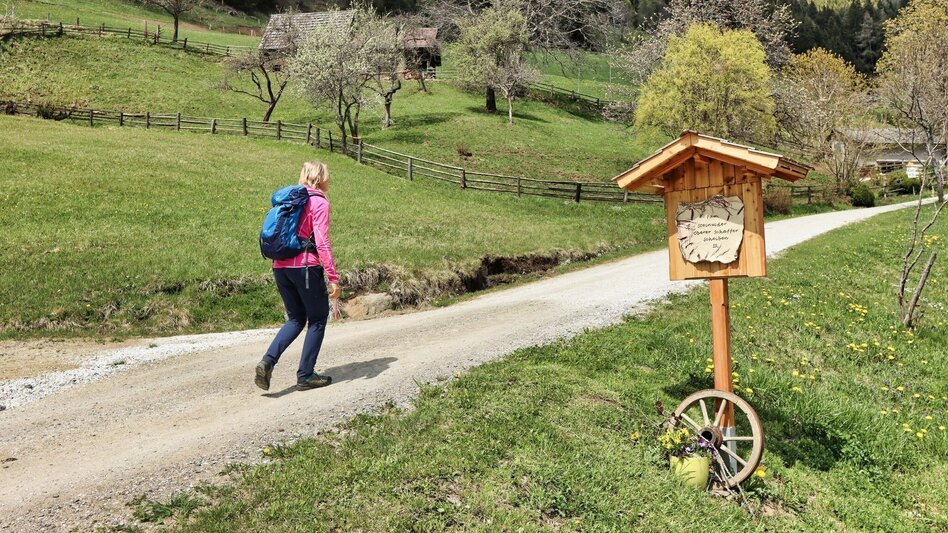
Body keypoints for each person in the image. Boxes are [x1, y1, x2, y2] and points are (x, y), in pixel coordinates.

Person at [255, 161, 342, 392]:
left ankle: (267, 361)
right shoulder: (319, 201)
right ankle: (305, 375)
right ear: (321, 177)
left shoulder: (289, 199)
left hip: (279, 266)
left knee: (295, 319)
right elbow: (322, 242)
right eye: (328, 176)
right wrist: (333, 276)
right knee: (318, 318)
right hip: (305, 266)